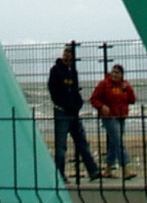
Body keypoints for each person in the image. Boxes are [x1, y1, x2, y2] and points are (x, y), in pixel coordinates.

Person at [48, 46, 101, 182]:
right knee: (61, 146)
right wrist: (65, 105)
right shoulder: (56, 71)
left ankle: (93, 170)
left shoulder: (73, 72)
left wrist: (77, 104)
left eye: (70, 54)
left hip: (74, 113)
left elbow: (75, 90)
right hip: (62, 112)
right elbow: (54, 91)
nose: (67, 57)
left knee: (82, 142)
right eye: (66, 53)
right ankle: (59, 174)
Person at [90, 64, 137, 179]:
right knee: (118, 141)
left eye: (117, 73)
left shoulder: (124, 86)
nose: (114, 74)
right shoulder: (104, 84)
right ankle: (125, 169)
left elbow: (132, 100)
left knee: (113, 143)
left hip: (121, 116)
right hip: (109, 117)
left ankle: (108, 170)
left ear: (121, 75)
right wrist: (101, 106)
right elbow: (93, 99)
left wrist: (128, 88)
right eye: (113, 72)